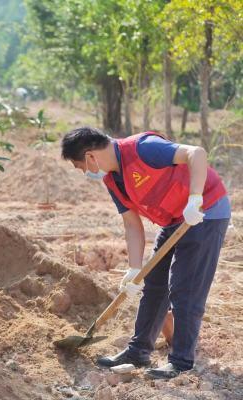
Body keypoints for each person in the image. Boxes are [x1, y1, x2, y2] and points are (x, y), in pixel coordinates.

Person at [61, 127, 230, 379]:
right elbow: (132, 224)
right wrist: (134, 269)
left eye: (81, 166)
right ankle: (138, 352)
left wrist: (195, 199)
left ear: (90, 156)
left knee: (185, 287)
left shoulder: (143, 148)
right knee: (153, 284)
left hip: (205, 211)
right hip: (175, 219)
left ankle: (181, 361)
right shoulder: (113, 181)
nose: (85, 173)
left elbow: (197, 153)